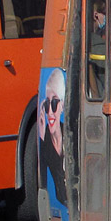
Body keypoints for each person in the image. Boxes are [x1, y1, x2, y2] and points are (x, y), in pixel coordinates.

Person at [38, 68, 67, 209]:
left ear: (62, 105)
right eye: (47, 104)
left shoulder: (72, 136)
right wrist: (42, 140)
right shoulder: (45, 142)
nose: (50, 111)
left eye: (54, 103)